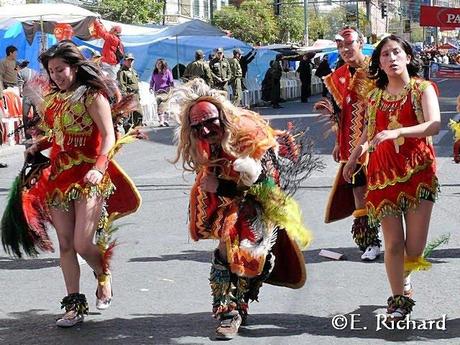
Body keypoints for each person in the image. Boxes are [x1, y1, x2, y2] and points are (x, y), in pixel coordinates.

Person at [171, 79, 320, 340]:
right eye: (197, 127)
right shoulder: (204, 140)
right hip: (228, 198)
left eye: (209, 122)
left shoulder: (251, 135)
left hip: (261, 198)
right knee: (226, 250)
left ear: (222, 116)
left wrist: (224, 186)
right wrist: (215, 187)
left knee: (253, 255)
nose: (205, 131)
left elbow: (266, 186)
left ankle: (241, 302)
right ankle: (228, 311)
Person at [17, 41, 141, 327]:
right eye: (52, 71)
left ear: (74, 67)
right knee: (64, 244)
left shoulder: (93, 96)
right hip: (59, 177)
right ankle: (73, 305)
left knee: (83, 242)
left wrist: (99, 168)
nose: (56, 75)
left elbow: (108, 136)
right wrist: (38, 145)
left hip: (89, 177)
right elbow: (56, 134)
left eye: (60, 69)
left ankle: (102, 273)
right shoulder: (54, 101)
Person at [343, 35, 440, 321]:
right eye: (385, 55)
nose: (391, 58)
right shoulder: (374, 96)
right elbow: (368, 134)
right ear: (380, 63)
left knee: (414, 249)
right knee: (394, 244)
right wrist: (352, 159)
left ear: (407, 57)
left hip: (419, 174)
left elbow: (434, 125)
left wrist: (398, 132)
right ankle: (399, 298)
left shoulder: (422, 89)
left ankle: (405, 277)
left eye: (396, 52)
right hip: (382, 176)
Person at [317, 27, 381, 261]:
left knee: (386, 191)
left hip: (378, 143)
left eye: (349, 44)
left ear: (361, 43)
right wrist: (338, 142)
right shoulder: (340, 74)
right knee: (359, 190)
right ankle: (369, 242)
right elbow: (339, 113)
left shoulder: (376, 71)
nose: (344, 49)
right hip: (350, 146)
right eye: (340, 46)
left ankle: (400, 239)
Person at [117, 53, 143, 132]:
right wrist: (125, 96)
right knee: (128, 114)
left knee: (138, 113)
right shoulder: (122, 72)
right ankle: (127, 129)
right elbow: (121, 85)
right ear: (124, 61)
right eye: (128, 60)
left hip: (136, 95)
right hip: (129, 95)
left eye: (131, 60)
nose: (130, 62)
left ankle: (137, 129)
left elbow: (136, 84)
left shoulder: (133, 71)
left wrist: (138, 96)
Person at [149, 58, 174, 127]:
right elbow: (152, 81)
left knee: (165, 105)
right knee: (159, 106)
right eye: (157, 63)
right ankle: (161, 121)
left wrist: (171, 88)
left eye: (159, 63)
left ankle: (165, 120)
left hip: (166, 91)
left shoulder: (167, 72)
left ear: (163, 65)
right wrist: (151, 87)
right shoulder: (154, 72)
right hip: (157, 92)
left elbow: (171, 81)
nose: (158, 65)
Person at [17, 60, 37, 141]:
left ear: (19, 66)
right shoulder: (34, 72)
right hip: (36, 95)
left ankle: (28, 136)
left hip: (27, 96)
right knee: (37, 116)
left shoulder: (20, 73)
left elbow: (20, 86)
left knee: (25, 116)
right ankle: (38, 134)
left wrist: (20, 94)